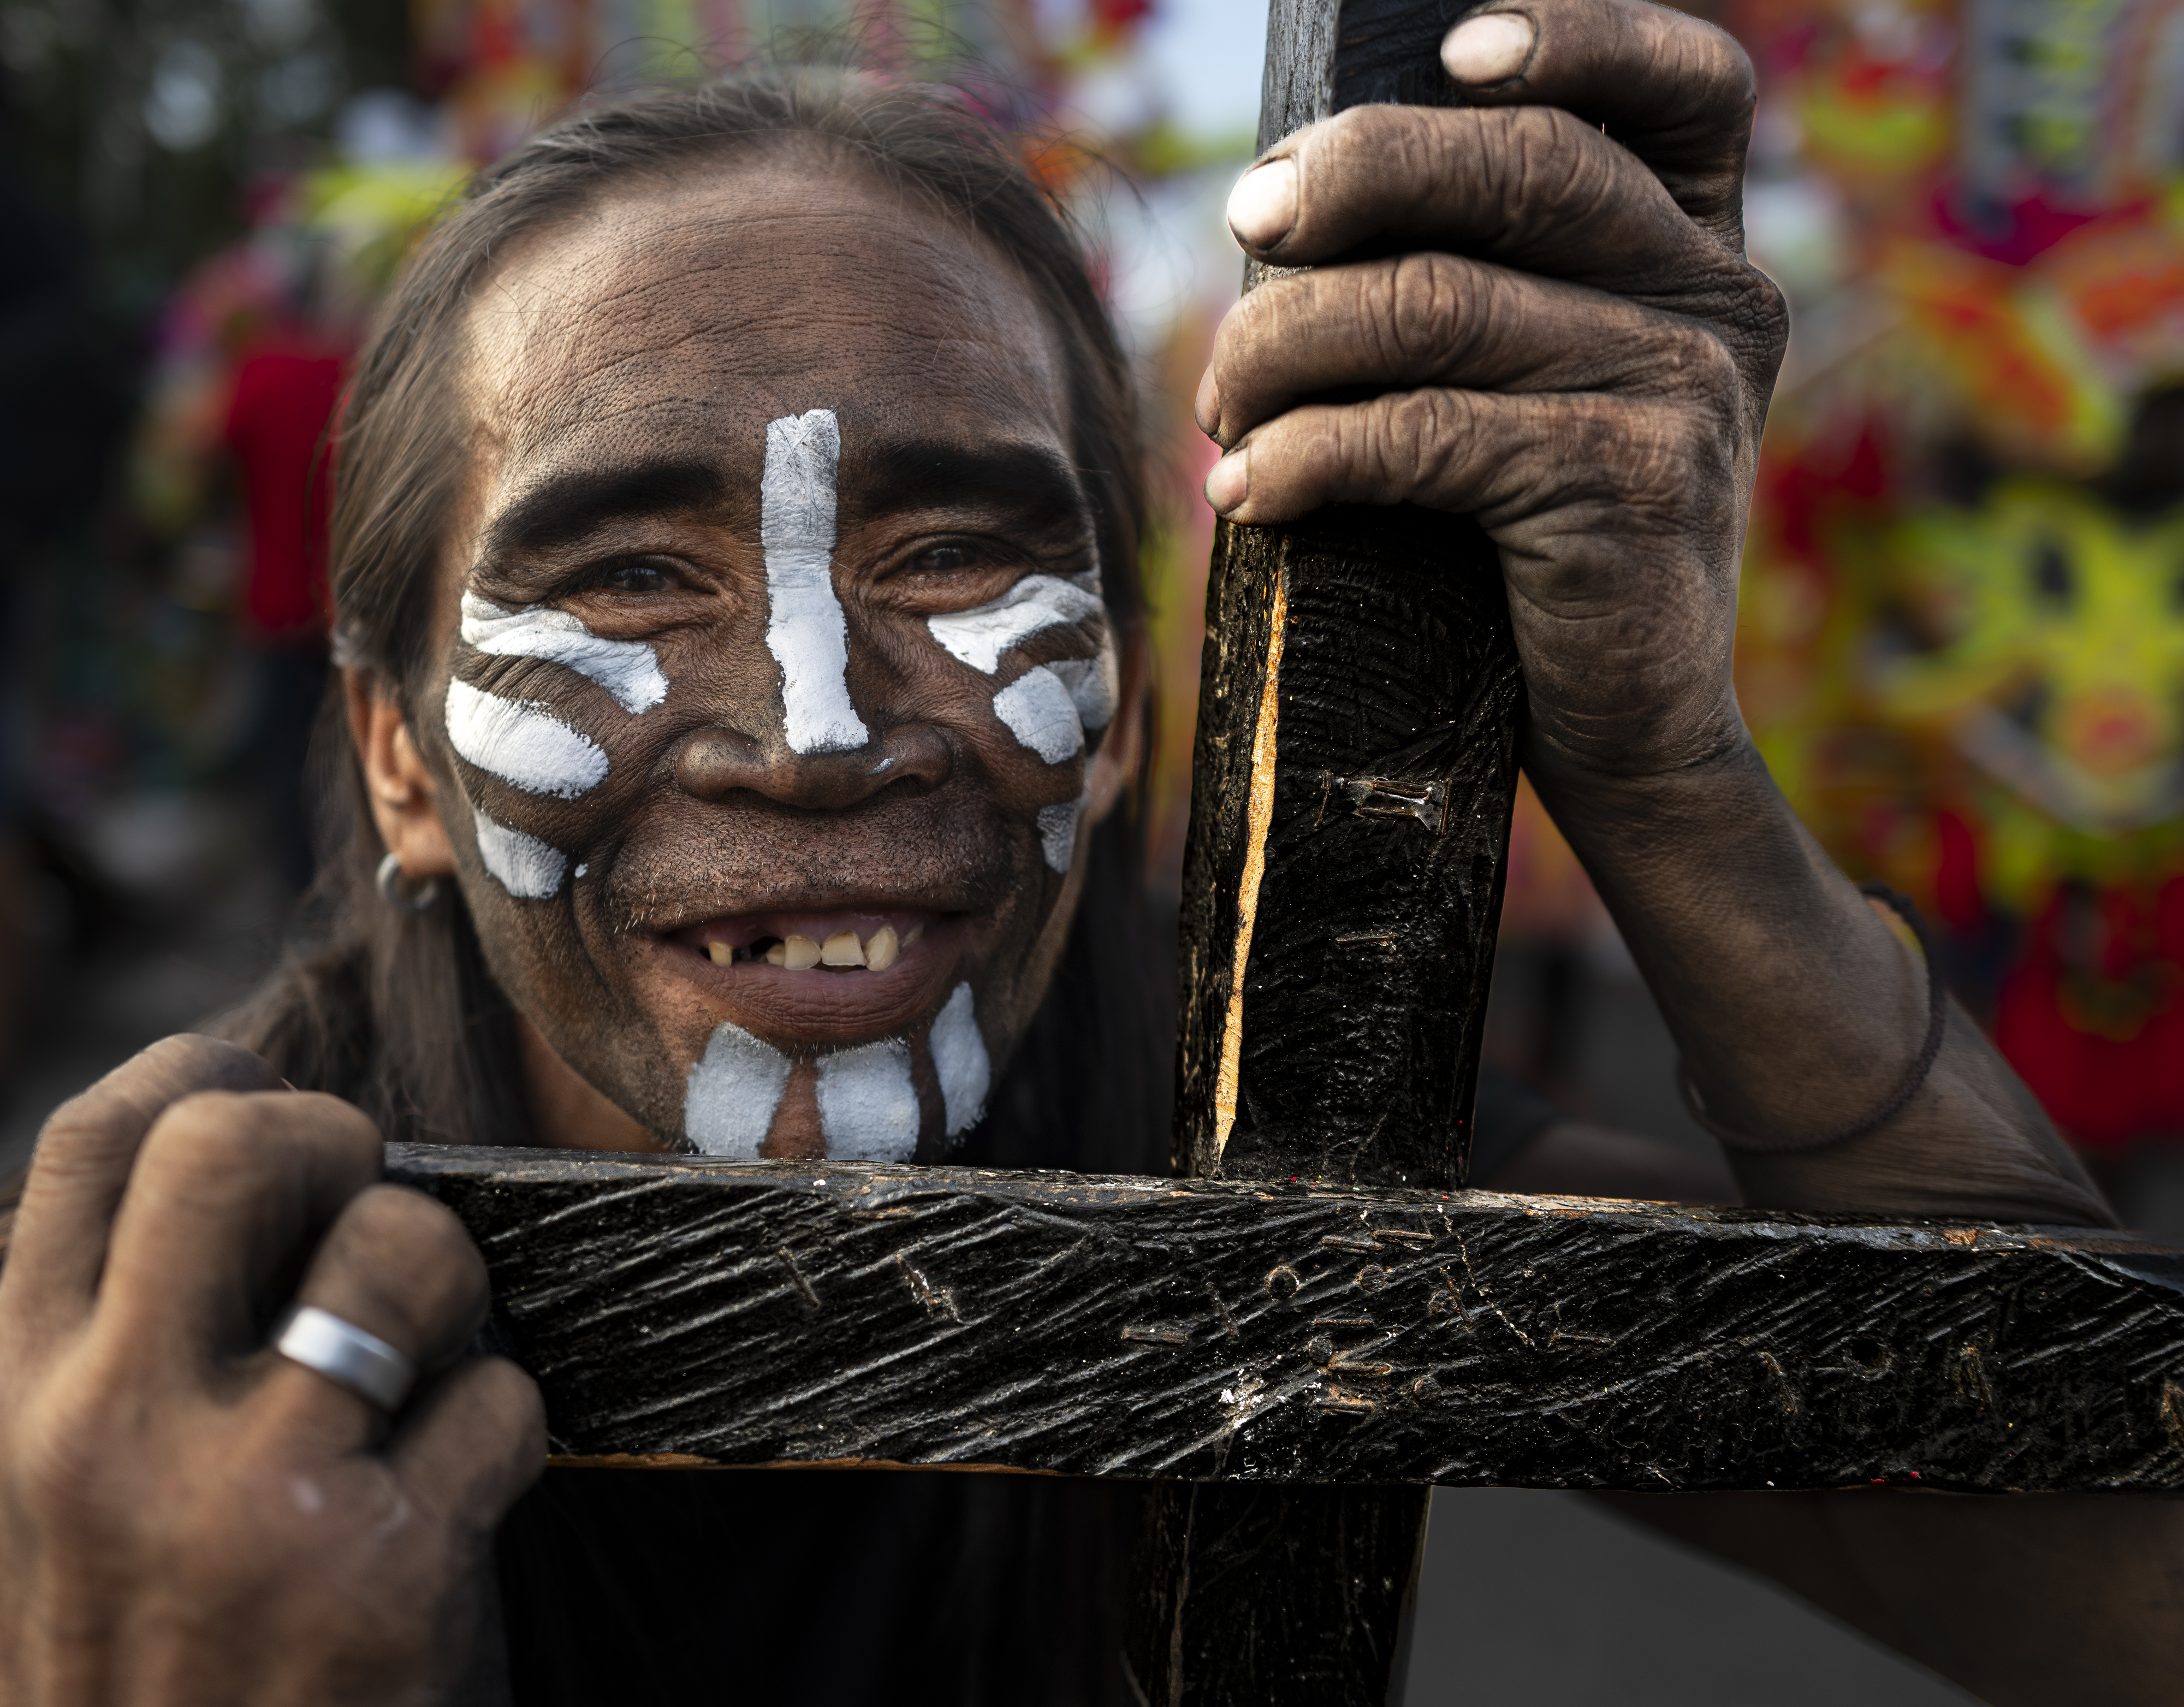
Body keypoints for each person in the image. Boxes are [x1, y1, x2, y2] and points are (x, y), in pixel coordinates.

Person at [0, 2, 2174, 1703]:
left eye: (954, 552)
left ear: (1125, 707)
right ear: (391, 752)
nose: (820, 732)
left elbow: (2119, 1592)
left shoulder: (1270, 1147)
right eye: (632, 581)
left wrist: (1667, 770)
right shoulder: (123, 1348)